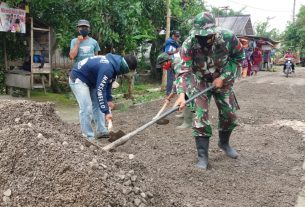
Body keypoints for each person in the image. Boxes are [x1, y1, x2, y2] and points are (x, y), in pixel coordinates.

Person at [174, 12, 244, 169]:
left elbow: (238, 58)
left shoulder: (228, 37)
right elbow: (183, 71)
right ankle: (202, 156)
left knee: (229, 114)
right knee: (200, 116)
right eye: (200, 36)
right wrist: (181, 95)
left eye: (207, 36)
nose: (204, 39)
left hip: (222, 81)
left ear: (214, 31)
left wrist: (224, 77)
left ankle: (224, 143)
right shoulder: (189, 44)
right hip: (200, 81)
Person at [69, 54, 137, 141]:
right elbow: (100, 91)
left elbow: (108, 84)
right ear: (126, 68)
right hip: (79, 78)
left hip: (91, 80)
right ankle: (87, 137)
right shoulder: (108, 68)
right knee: (86, 107)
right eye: (130, 70)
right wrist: (106, 112)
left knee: (98, 104)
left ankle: (101, 131)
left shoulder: (115, 65)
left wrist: (109, 100)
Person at [157, 52, 192, 129]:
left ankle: (188, 122)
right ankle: (184, 114)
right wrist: (170, 96)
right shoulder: (173, 64)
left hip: (192, 79)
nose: (163, 67)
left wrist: (172, 95)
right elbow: (177, 81)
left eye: (163, 64)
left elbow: (180, 81)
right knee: (183, 95)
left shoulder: (177, 64)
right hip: (187, 79)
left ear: (168, 60)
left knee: (186, 96)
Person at [164, 30, 180, 96]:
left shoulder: (174, 43)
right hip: (168, 61)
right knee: (170, 77)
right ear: (172, 35)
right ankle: (168, 92)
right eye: (176, 36)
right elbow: (167, 52)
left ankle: (173, 91)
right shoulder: (169, 41)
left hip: (173, 62)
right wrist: (175, 51)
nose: (177, 38)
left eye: (178, 37)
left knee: (174, 77)